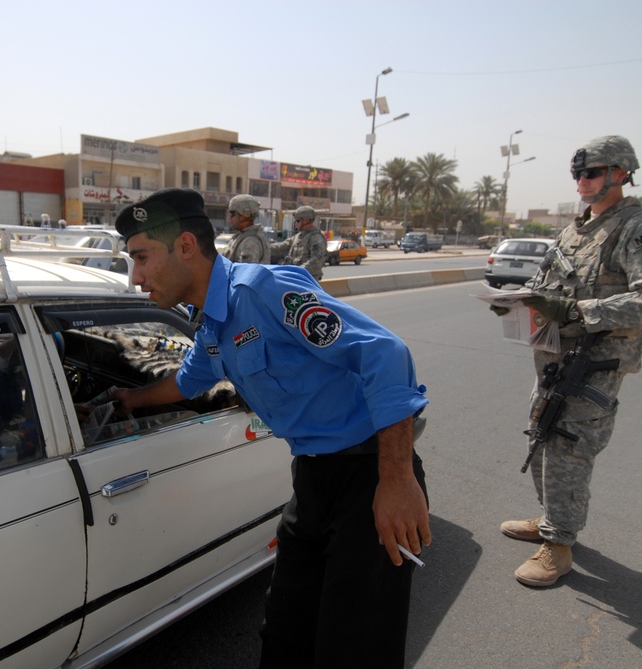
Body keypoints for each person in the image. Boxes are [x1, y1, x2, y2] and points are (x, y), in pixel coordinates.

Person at [110, 187, 430, 667]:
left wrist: (398, 479)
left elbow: (385, 355)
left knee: (357, 648)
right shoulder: (213, 324)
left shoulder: (263, 290)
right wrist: (129, 400)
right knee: (284, 635)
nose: (135, 278)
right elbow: (187, 380)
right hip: (313, 480)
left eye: (141, 257)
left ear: (184, 247)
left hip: (370, 474)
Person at [495, 136, 642, 587]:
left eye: (590, 173)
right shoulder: (574, 230)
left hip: (596, 361)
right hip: (555, 355)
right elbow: (546, 282)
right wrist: (519, 302)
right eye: (577, 174)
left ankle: (559, 545)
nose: (582, 181)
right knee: (541, 432)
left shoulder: (638, 227)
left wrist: (579, 312)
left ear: (620, 173)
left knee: (570, 446)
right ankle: (551, 518)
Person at [270, 205, 328, 280]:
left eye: (298, 221)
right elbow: (281, 247)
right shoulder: (297, 237)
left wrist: (298, 271)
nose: (295, 223)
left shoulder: (316, 238)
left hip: (307, 280)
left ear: (306, 221)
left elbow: (316, 261)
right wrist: (265, 247)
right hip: (295, 278)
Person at [223, 193, 271, 264]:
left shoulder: (250, 243)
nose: (230, 218)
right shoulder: (241, 237)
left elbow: (246, 273)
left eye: (232, 214)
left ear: (244, 215)